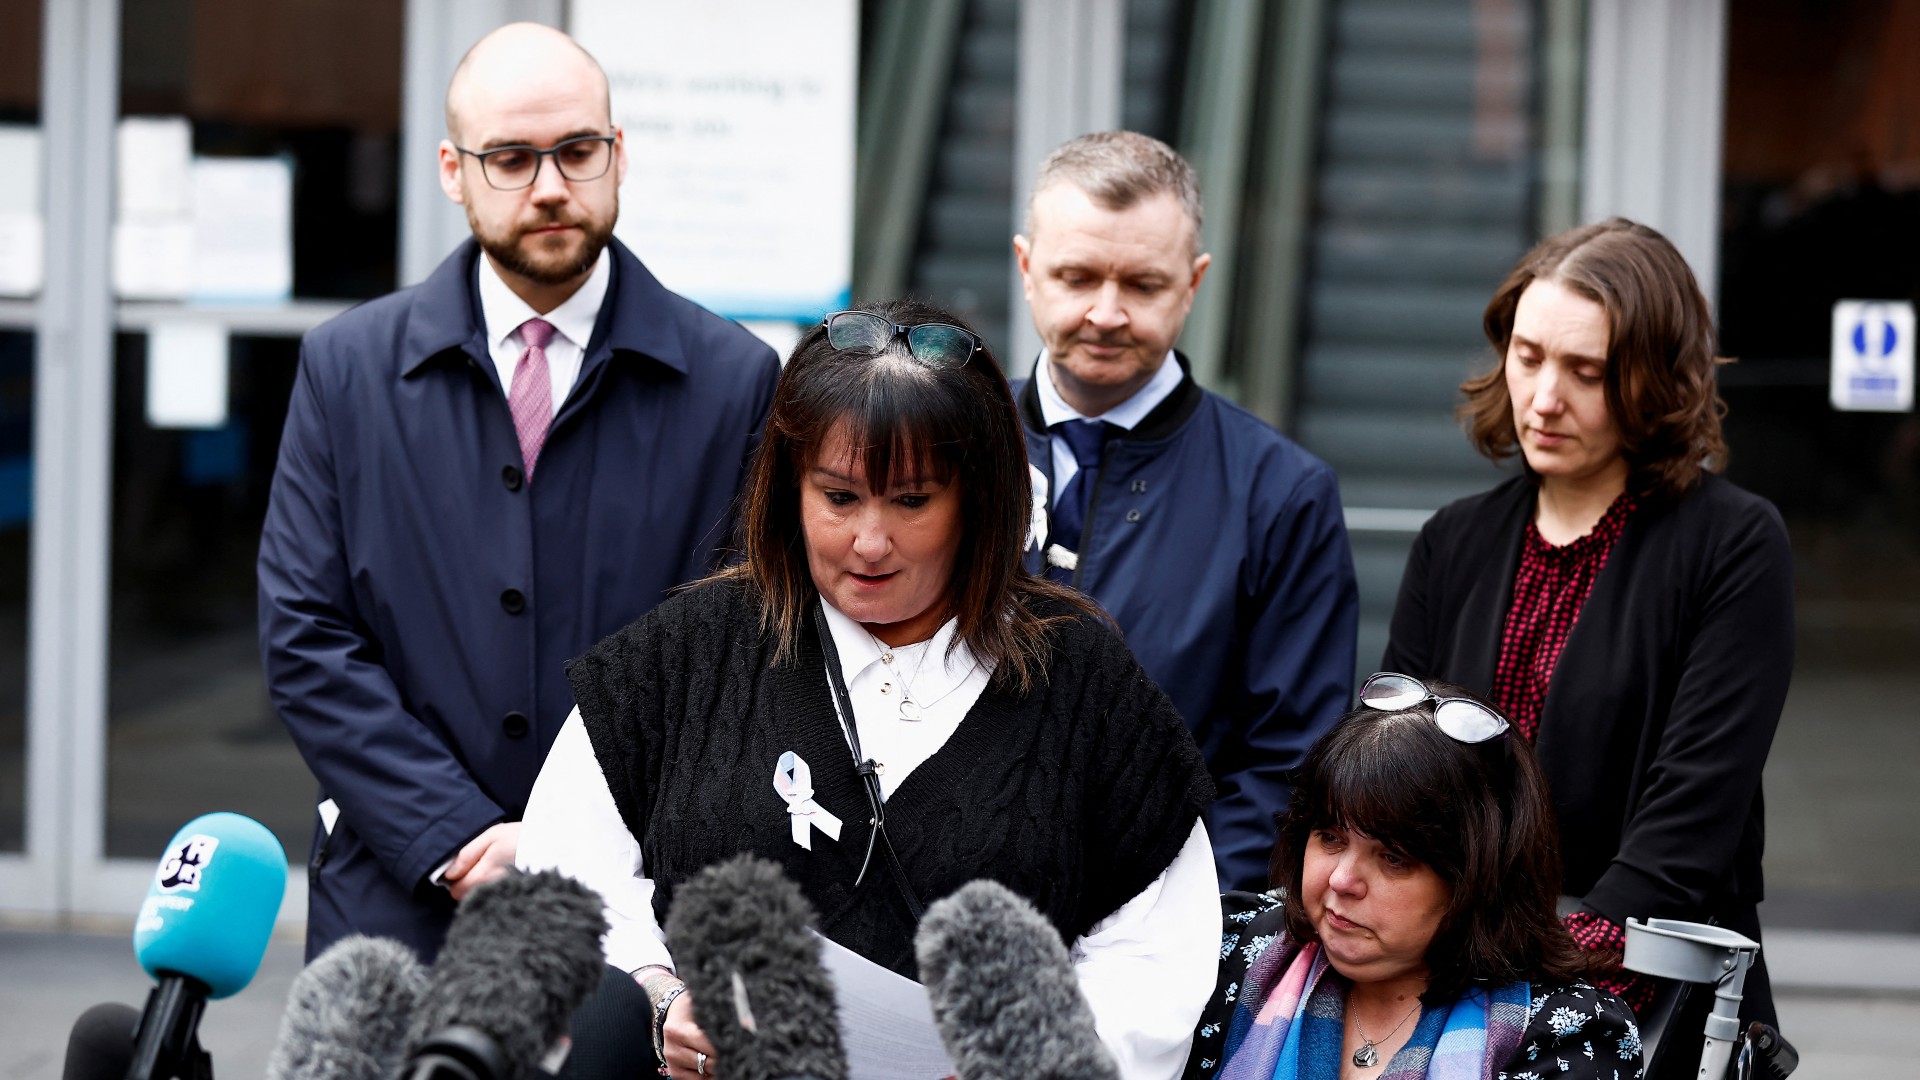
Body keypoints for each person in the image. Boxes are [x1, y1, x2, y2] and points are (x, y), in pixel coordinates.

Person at [519, 298, 1221, 1080]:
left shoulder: (1082, 679)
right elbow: (566, 864)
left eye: (913, 501)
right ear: (792, 489)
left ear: (978, 500)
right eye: (840, 497)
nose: (871, 542)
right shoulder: (691, 650)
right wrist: (660, 997)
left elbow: (1154, 946)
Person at [257, 22, 780, 961]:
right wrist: (452, 836)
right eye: (510, 158)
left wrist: (580, 847)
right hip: (397, 896)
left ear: (619, 157)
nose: (549, 186)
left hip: (635, 914)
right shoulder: (347, 368)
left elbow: (743, 655)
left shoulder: (734, 379)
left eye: (577, 152)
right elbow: (306, 634)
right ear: (454, 171)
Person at [1381, 218, 1794, 1031]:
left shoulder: (1734, 543)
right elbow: (1397, 770)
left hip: (1648, 985)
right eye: (1528, 356)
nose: (1543, 398)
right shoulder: (1453, 540)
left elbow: (1690, 820)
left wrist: (1546, 990)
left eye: (1587, 371)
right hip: (1446, 970)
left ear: (1654, 381)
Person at [1011, 131, 1359, 892]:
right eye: (1076, 277)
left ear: (1194, 283)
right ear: (1026, 268)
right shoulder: (939, 459)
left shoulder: (1282, 495)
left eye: (1142, 284)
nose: (1106, 313)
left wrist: (1160, 916)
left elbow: (1291, 769)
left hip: (1166, 946)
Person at [1185, 675, 1644, 1080]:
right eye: (1328, 837)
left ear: (1478, 878)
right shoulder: (1229, 947)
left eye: (1393, 858)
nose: (1343, 880)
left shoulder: (1568, 1036)